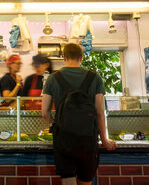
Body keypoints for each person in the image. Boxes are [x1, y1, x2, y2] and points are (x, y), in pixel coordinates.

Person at [42, 43, 116, 185]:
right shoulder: (95, 78)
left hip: (63, 139)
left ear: (64, 58)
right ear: (81, 58)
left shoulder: (52, 78)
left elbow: (44, 113)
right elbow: (100, 112)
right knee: (86, 181)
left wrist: (56, 123)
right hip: (88, 140)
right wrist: (105, 140)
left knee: (68, 181)